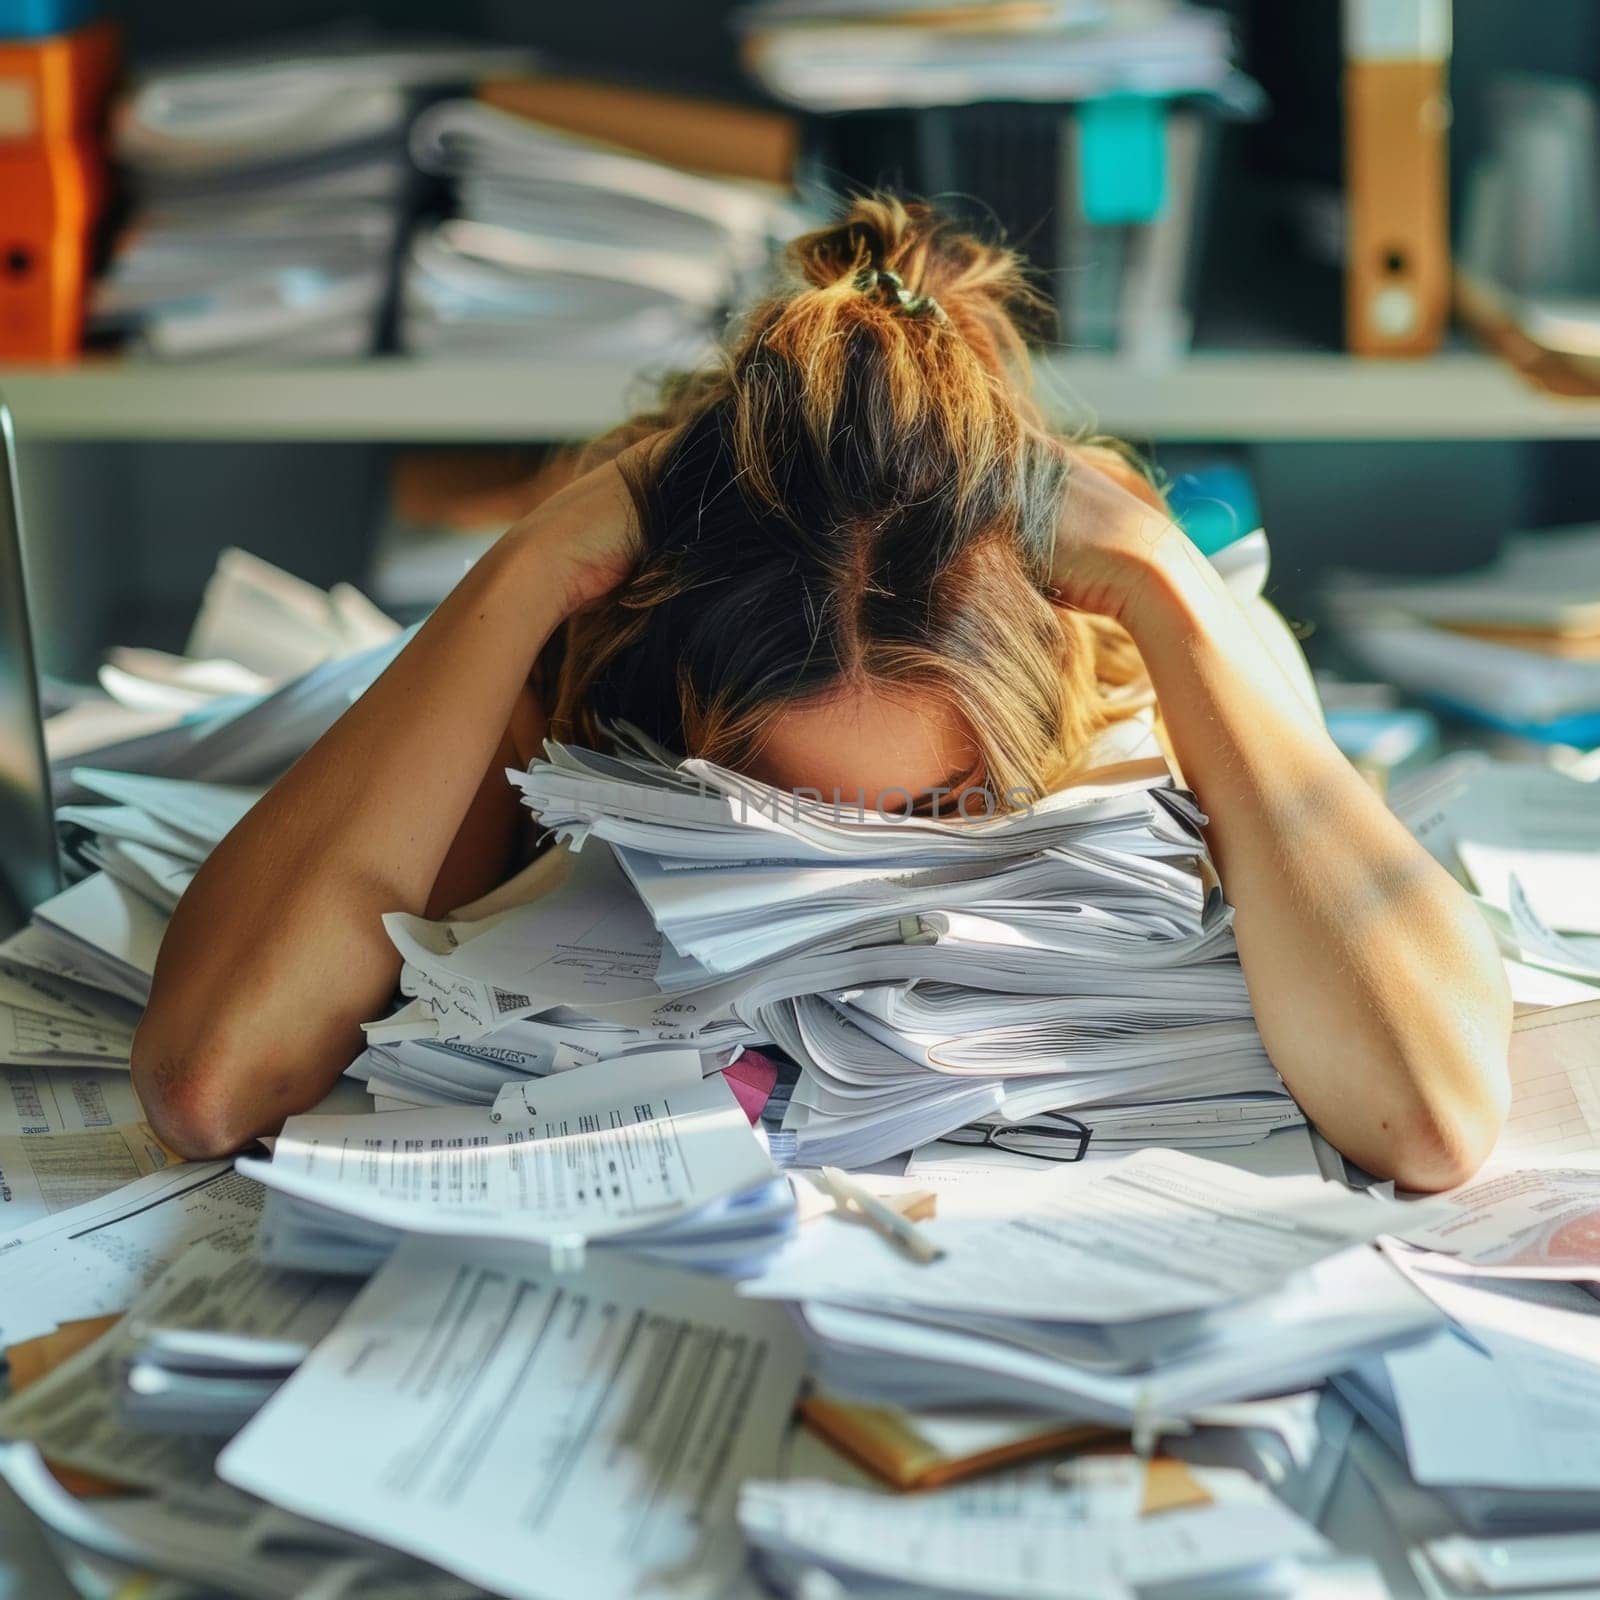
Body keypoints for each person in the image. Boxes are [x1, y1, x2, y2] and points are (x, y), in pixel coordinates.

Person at [132, 196, 1511, 1189]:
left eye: (938, 804)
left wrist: (1162, 575)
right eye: (774, 815)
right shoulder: (579, 685)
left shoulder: (1152, 665)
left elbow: (1434, 1117)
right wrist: (536, 565)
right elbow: (210, 1087)